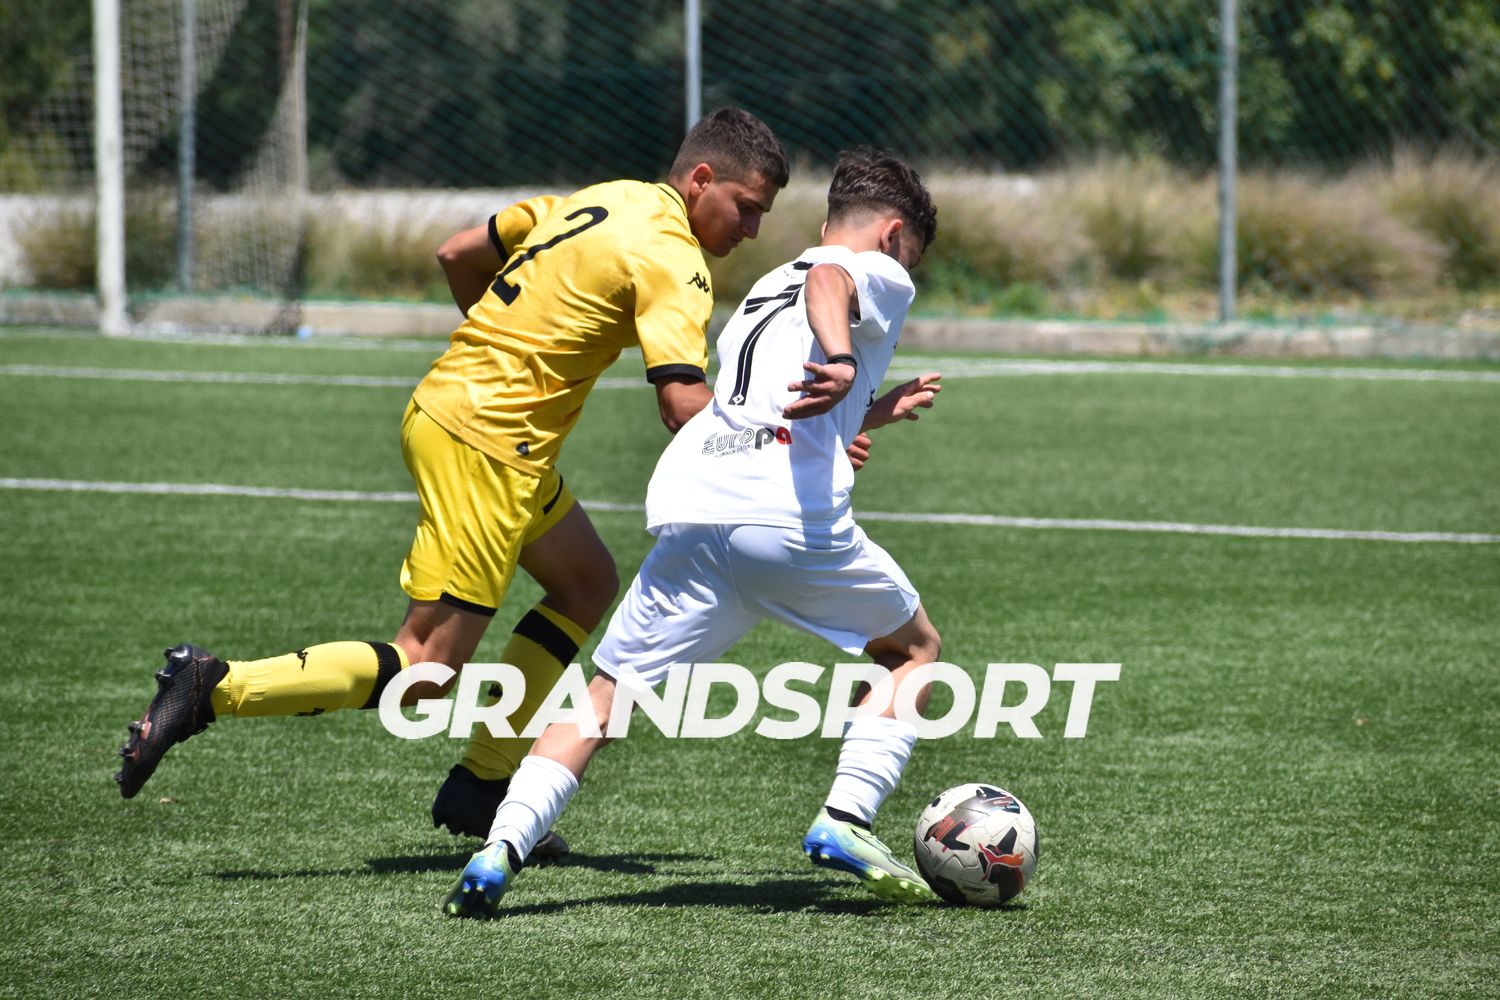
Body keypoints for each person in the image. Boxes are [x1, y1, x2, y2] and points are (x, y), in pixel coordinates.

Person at [114, 109, 791, 860]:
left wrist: (504, 346)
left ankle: (483, 785)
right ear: (701, 180)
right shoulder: (675, 256)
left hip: (460, 415)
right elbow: (681, 404)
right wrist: (786, 436)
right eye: (747, 207)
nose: (752, 229)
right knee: (427, 665)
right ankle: (214, 687)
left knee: (586, 582)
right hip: (490, 443)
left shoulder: (602, 198)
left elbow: (457, 251)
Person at [442, 147, 944, 918]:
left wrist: (870, 410)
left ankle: (500, 847)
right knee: (912, 651)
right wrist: (847, 363)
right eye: (909, 255)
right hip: (782, 518)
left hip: (698, 510)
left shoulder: (763, 290)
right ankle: (846, 816)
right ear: (893, 234)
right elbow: (833, 280)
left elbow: (768, 404)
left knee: (605, 697)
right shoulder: (867, 269)